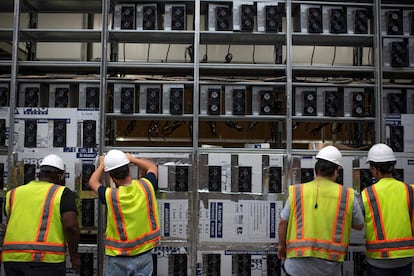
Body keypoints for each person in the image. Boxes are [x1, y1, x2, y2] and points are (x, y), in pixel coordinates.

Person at [277, 145, 364, 276]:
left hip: (297, 267)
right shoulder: (347, 195)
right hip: (328, 269)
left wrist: (282, 246)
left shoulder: (297, 191)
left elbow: (283, 222)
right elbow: (359, 225)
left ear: (316, 169)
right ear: (336, 171)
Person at [2, 154, 80, 276]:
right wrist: (74, 256)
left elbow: (9, 221)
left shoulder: (13, 194)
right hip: (45, 260)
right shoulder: (62, 193)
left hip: (12, 258)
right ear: (60, 176)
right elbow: (71, 226)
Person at [88, 149, 160, 276]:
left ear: (111, 176)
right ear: (128, 169)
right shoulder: (146, 186)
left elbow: (92, 182)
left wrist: (102, 165)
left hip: (118, 258)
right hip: (144, 255)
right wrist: (132, 159)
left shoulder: (110, 195)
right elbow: (152, 167)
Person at [361, 143, 414, 276]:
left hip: (379, 259)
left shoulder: (367, 193)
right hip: (406, 257)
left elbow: (358, 224)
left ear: (374, 169)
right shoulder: (410, 190)